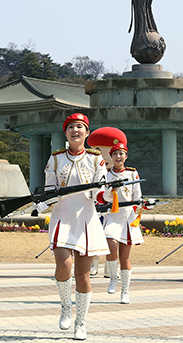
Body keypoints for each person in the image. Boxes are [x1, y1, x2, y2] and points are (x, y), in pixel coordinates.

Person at [44, 113, 109, 340]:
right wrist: (45, 199)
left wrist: (101, 192)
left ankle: (81, 322)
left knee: (83, 276)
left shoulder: (96, 159)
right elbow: (50, 189)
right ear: (66, 132)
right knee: (64, 266)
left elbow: (99, 191)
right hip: (62, 218)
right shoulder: (55, 159)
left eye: (80, 127)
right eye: (71, 127)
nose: (75, 131)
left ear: (87, 133)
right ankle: (65, 307)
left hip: (86, 220)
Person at [96, 137, 154, 304]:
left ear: (126, 156)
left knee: (125, 257)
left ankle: (125, 291)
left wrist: (144, 204)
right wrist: (111, 190)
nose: (118, 157)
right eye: (115, 154)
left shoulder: (132, 173)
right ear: (111, 157)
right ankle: (113, 278)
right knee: (111, 245)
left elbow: (137, 197)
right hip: (112, 215)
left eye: (121, 154)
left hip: (127, 218)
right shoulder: (106, 174)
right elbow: (103, 198)